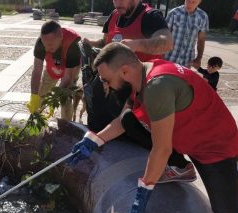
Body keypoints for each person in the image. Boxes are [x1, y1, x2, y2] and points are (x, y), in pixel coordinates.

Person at [69, 42, 238, 213]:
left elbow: (161, 149)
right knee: (129, 118)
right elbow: (121, 121)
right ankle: (181, 167)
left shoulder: (157, 87)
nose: (107, 86)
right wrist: (94, 140)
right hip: (192, 137)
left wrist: (144, 191)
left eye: (107, 80)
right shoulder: (140, 75)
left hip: (215, 150)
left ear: (124, 71)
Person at [82, 0, 194, 183]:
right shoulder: (114, 15)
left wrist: (136, 45)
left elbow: (167, 42)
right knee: (98, 115)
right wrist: (90, 42)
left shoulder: (150, 17)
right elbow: (106, 42)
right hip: (117, 85)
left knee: (131, 123)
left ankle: (175, 162)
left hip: (145, 90)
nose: (117, 2)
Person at [26, 20, 81, 121]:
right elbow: (37, 71)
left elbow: (67, 78)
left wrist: (53, 99)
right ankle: (36, 120)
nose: (47, 48)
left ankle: (66, 124)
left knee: (65, 97)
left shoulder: (73, 46)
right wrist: (34, 95)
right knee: (42, 94)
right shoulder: (41, 43)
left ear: (60, 36)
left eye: (50, 45)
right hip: (52, 67)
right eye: (45, 44)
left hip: (70, 69)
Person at [165, 0, 209, 69]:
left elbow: (201, 40)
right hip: (169, 58)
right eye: (188, 1)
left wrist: (198, 59)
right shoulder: (173, 13)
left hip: (187, 61)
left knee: (182, 80)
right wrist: (160, 57)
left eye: (193, 2)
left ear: (199, 2)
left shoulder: (203, 17)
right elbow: (165, 36)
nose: (190, 4)